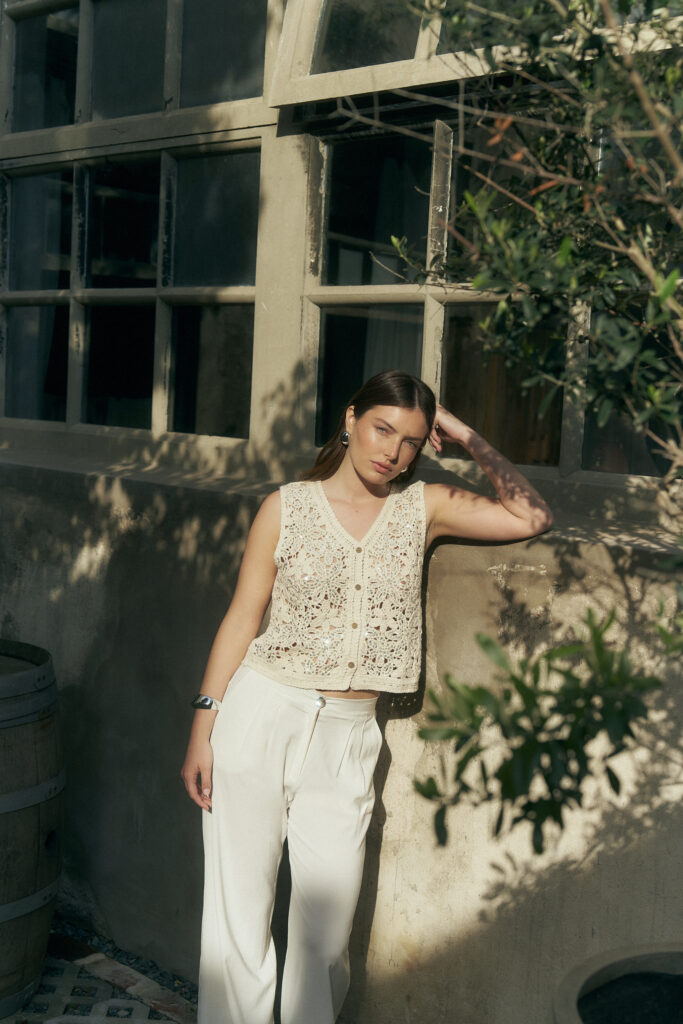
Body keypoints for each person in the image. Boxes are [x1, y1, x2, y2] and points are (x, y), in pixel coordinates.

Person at [181, 370, 552, 1024]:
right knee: (238, 914)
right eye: (382, 429)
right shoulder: (286, 507)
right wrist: (202, 728)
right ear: (350, 419)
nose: (393, 451)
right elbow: (242, 617)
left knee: (325, 934)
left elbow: (531, 515)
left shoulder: (422, 506)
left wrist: (464, 434)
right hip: (261, 712)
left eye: (411, 441)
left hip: (350, 733)